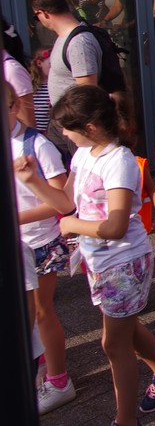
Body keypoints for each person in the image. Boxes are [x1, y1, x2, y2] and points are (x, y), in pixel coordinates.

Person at [51, 85, 155, 422]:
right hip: (100, 261)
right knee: (127, 327)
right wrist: (29, 179)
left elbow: (115, 226)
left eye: (67, 129)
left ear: (90, 128)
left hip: (124, 262)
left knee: (113, 345)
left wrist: (71, 225)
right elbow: (65, 201)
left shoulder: (119, 161)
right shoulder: (83, 154)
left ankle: (125, 419)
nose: (64, 135)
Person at [8, 85, 75, 415]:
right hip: (14, 243)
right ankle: (40, 367)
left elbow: (60, 202)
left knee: (40, 312)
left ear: (13, 107)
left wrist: (13, 217)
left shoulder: (38, 145)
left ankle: (59, 381)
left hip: (39, 242)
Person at [30, 0, 102, 156]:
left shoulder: (79, 42)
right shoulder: (65, 38)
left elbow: (87, 93)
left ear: (44, 13)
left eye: (36, 16)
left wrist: (79, 130)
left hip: (75, 124)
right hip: (63, 122)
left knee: (78, 171)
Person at [30, 48, 51, 134]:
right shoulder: (31, 86)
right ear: (39, 63)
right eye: (51, 64)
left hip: (53, 133)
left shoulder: (57, 85)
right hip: (36, 133)